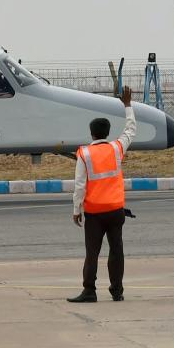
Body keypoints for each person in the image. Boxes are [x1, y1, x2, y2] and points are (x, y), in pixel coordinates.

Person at [68, 86, 137, 303]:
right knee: (117, 251)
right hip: (116, 211)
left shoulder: (84, 153)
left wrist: (76, 210)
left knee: (92, 253)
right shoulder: (117, 148)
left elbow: (80, 185)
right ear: (107, 132)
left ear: (92, 133)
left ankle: (89, 290)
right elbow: (131, 130)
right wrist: (127, 106)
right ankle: (117, 291)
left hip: (95, 212)